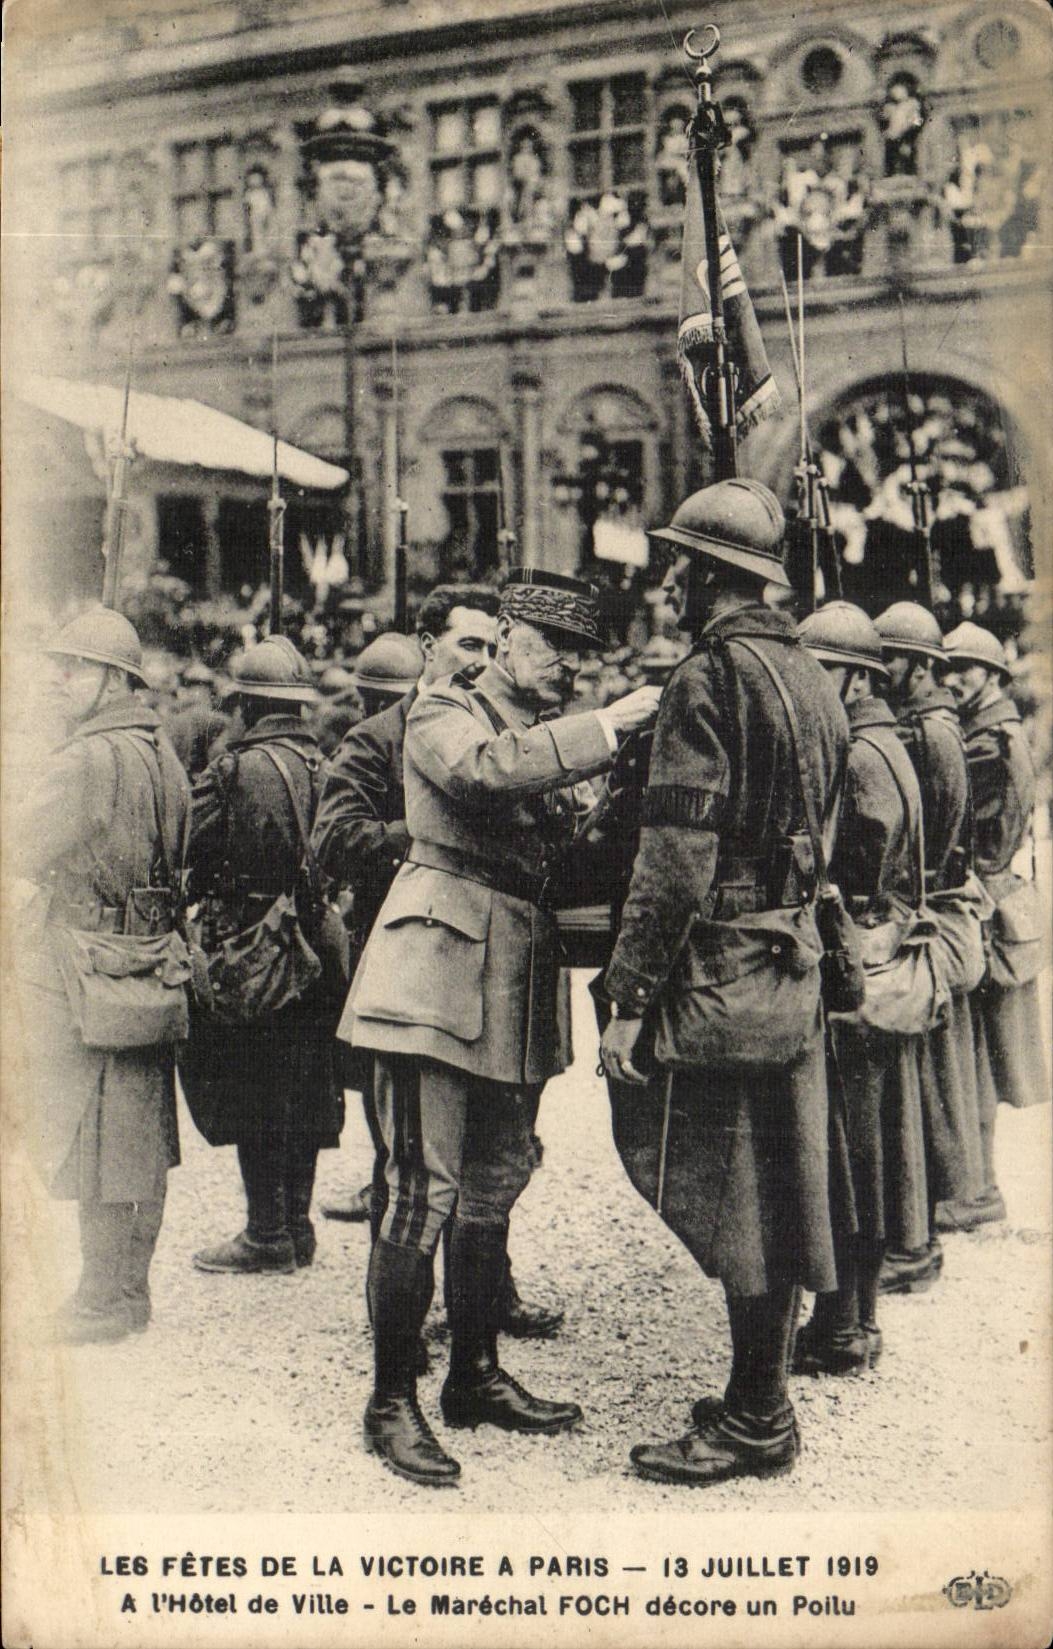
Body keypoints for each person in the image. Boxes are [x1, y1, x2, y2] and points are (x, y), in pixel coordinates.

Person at [343, 568, 661, 1486]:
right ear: (509, 638)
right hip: (431, 974)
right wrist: (610, 727)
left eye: (582, 656)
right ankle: (391, 1399)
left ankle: (473, 1375)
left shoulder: (531, 732)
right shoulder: (445, 706)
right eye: (555, 646)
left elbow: (574, 845)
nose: (569, 666)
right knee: (419, 1191)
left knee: (490, 1186)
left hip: (512, 972)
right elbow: (484, 777)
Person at [599, 478, 849, 1486]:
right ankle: (761, 1398)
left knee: (739, 1193)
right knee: (787, 1189)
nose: (670, 580)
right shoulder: (813, 674)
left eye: (680, 565)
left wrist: (625, 995)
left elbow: (675, 859)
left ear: (705, 575)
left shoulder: (706, 680)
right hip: (792, 960)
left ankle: (756, 1416)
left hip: (723, 970)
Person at [15, 609, 190, 1344]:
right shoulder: (160, 747)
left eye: (75, 668)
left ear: (114, 679)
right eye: (56, 664)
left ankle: (101, 1300)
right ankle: (127, 1291)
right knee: (140, 1130)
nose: (58, 678)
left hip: (85, 965)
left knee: (95, 1133)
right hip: (149, 959)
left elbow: (18, 845)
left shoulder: (84, 759)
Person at [180, 636, 344, 1275]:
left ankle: (265, 1234)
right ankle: (297, 1227)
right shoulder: (325, 765)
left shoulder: (234, 770)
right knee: (306, 1082)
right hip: (319, 941)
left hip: (255, 945)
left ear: (246, 704)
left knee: (254, 1084)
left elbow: (189, 845)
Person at [796, 602, 928, 1373]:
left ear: (850, 678)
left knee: (847, 1153)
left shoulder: (858, 751)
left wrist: (834, 902)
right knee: (865, 1148)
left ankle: (842, 1324)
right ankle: (856, 1316)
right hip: (881, 955)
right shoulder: (887, 738)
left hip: (858, 959)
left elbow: (860, 860)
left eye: (818, 669)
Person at [874, 602, 982, 1292]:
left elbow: (933, 846)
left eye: (887, 658)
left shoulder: (931, 734)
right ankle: (918, 1233)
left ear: (916, 666)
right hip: (926, 915)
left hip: (925, 920)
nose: (878, 671)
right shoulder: (929, 726)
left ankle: (912, 1243)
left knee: (913, 1092)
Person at [939, 622, 1049, 1228]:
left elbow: (980, 837)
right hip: (999, 903)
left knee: (974, 1056)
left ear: (993, 678)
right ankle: (977, 1185)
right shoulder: (997, 729)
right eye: (948, 669)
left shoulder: (989, 741)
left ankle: (976, 1190)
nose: (952, 680)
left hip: (986, 907)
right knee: (981, 1055)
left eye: (966, 671)